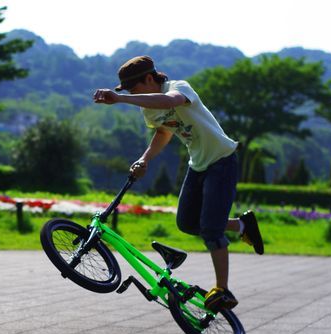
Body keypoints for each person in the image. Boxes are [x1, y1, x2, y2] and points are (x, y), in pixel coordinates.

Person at [93, 55, 264, 312]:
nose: (130, 93)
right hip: (198, 165)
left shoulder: (179, 87)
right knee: (186, 223)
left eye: (133, 88)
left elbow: (170, 102)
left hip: (222, 160)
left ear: (150, 79)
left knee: (210, 230)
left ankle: (224, 290)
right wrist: (145, 159)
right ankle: (242, 225)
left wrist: (121, 99)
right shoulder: (148, 109)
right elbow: (163, 132)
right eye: (126, 91)